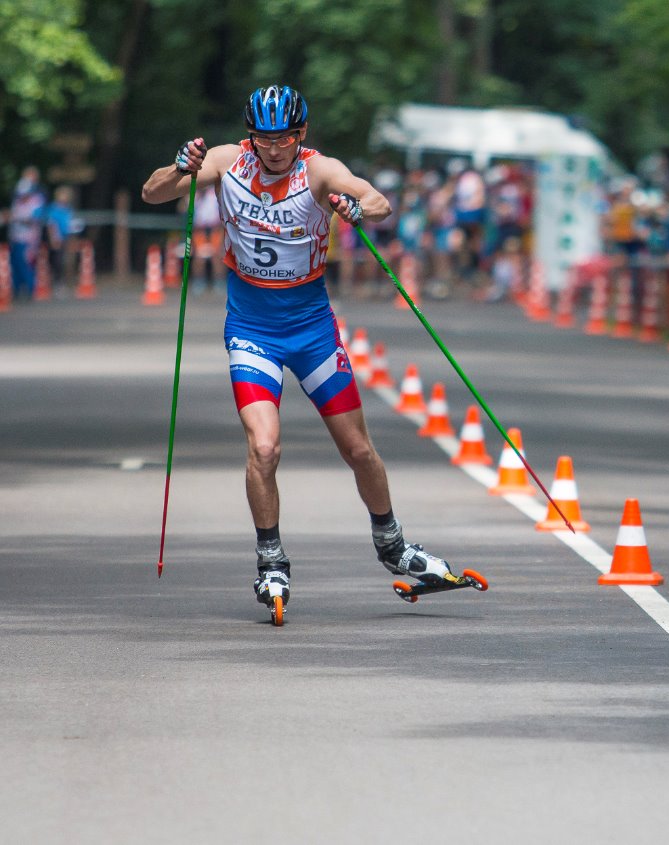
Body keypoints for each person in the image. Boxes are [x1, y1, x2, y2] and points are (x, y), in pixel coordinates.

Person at [141, 84, 458, 617]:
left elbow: (377, 200)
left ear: (301, 133)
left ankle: (393, 545)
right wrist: (179, 168)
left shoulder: (319, 171)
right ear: (251, 137)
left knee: (357, 448)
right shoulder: (225, 162)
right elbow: (153, 193)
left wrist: (358, 209)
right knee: (264, 448)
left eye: (285, 137)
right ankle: (271, 560)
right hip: (251, 328)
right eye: (265, 139)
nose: (274, 148)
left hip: (311, 329)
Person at [8, 166, 45, 301]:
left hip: (29, 238)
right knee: (15, 264)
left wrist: (19, 219)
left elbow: (35, 219)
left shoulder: (36, 202)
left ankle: (30, 290)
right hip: (15, 236)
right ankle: (16, 290)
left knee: (26, 264)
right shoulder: (17, 202)